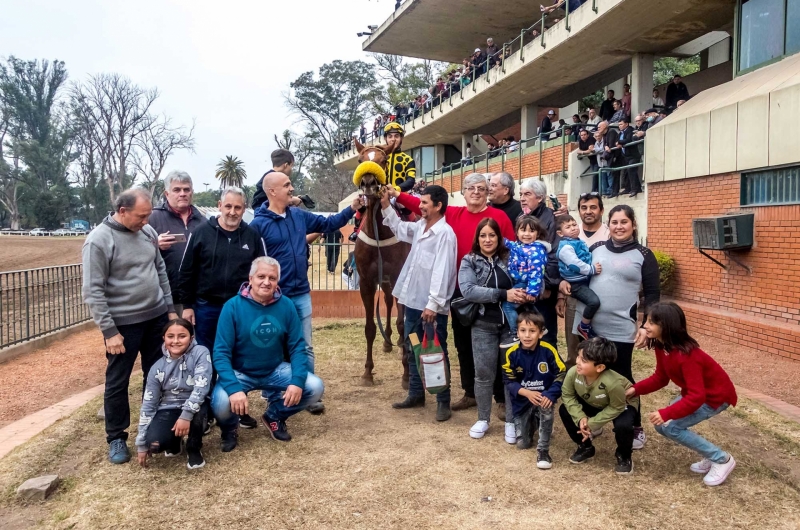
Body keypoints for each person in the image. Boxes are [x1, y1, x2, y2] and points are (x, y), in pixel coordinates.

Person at [395, 174, 515, 413]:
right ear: (464, 191)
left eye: (482, 188)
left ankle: (500, 398)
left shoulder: (498, 217)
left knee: (495, 347)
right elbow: (423, 205)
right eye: (471, 188)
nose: (476, 192)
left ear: (487, 192)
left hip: (489, 292)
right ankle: (469, 393)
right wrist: (396, 195)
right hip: (460, 294)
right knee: (461, 346)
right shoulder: (453, 214)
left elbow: (510, 252)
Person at [82, 188, 177, 464]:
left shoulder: (146, 233)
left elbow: (159, 270)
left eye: (148, 215)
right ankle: (116, 438)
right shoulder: (99, 241)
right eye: (141, 216)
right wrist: (109, 331)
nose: (146, 222)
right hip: (123, 326)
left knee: (157, 374)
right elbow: (93, 291)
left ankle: (154, 429)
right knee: (117, 381)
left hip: (156, 318)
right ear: (122, 211)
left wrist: (170, 310)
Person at [250, 172, 358, 415]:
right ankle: (273, 395)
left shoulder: (298, 215)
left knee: (305, 346)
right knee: (275, 347)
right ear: (272, 191)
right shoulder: (258, 225)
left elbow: (328, 224)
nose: (292, 189)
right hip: (275, 299)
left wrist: (351, 209)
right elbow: (253, 263)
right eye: (286, 185)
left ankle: (308, 392)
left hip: (301, 293)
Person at [210, 257, 325, 451]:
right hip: (241, 372)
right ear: (251, 278)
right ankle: (229, 429)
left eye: (272, 277)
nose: (266, 282)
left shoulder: (286, 305)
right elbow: (220, 353)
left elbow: (297, 347)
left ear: (277, 280)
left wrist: (297, 382)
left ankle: (274, 416)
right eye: (261, 276)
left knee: (315, 387)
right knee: (221, 403)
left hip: (274, 369)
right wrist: (234, 388)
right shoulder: (232, 306)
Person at [175, 186, 266, 430]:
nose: (233, 212)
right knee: (207, 360)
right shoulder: (201, 232)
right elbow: (186, 272)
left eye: (238, 207)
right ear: (219, 205)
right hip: (207, 307)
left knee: (238, 357)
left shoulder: (252, 236)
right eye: (228, 206)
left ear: (244, 209)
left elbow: (261, 272)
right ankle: (204, 411)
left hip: (241, 308)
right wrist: (187, 306)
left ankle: (236, 408)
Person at [573, 204, 659, 450]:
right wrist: (564, 287)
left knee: (623, 380)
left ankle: (635, 427)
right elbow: (580, 276)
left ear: (633, 225)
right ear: (608, 225)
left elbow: (653, 294)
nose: (619, 226)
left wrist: (646, 325)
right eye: (615, 222)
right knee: (590, 375)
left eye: (624, 222)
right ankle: (595, 422)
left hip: (622, 330)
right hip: (592, 329)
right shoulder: (596, 248)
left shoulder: (643, 254)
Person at [627, 302, 738, 486]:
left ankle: (721, 459)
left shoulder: (687, 356)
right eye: (646, 320)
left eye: (651, 322)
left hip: (715, 398)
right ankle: (710, 456)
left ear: (667, 326)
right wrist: (635, 389)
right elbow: (661, 378)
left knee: (670, 427)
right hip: (696, 394)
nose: (645, 326)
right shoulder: (662, 347)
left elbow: (697, 396)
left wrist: (666, 413)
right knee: (662, 426)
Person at [383, 185, 457, 421]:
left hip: (430, 308)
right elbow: (398, 228)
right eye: (421, 202)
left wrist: (433, 305)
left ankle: (442, 401)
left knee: (436, 350)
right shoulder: (419, 227)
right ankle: (416, 393)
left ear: (438, 206)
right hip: (413, 301)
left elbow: (442, 271)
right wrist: (385, 205)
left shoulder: (445, 234)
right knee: (413, 344)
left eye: (425, 203)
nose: (420, 206)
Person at [459, 219, 530, 443]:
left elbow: (526, 279)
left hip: (511, 327)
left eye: (492, 235)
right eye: (483, 236)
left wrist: (526, 292)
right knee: (483, 375)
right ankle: (483, 418)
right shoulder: (469, 261)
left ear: (499, 237)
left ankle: (510, 420)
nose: (488, 240)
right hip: (482, 325)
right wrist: (503, 294)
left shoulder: (510, 258)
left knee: (510, 374)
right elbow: (469, 290)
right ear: (477, 238)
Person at [135, 318, 211, 470]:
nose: (175, 341)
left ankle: (194, 448)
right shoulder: (157, 367)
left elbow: (201, 388)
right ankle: (175, 442)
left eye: (182, 336)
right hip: (169, 406)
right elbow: (149, 404)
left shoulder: (200, 353)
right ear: (164, 338)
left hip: (197, 404)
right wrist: (141, 444)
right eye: (170, 336)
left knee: (197, 416)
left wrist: (185, 416)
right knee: (155, 443)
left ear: (191, 338)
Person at [559, 337, 639, 474]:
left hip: (621, 403)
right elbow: (567, 395)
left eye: (584, 360)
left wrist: (593, 423)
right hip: (595, 401)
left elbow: (616, 407)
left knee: (623, 425)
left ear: (600, 367)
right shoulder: (573, 372)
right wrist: (580, 417)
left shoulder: (613, 383)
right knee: (564, 410)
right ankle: (585, 447)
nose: (577, 362)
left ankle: (624, 456)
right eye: (578, 357)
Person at [502, 310, 564, 469]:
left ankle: (543, 450)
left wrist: (550, 394)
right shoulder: (511, 353)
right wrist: (527, 393)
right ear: (518, 332)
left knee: (545, 406)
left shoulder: (548, 350)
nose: (527, 336)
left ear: (541, 333)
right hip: (522, 401)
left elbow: (562, 373)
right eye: (523, 331)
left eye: (532, 331)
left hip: (544, 397)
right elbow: (508, 381)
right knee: (523, 444)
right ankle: (535, 422)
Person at [556, 192, 609, 367]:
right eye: (583, 208)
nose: (588, 211)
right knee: (573, 346)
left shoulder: (610, 233)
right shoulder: (570, 232)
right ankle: (572, 384)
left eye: (593, 207)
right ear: (578, 210)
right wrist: (560, 288)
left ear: (601, 210)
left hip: (601, 297)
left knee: (598, 346)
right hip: (574, 296)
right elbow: (557, 262)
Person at [148, 170, 205, 316]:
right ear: (167, 194)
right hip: (164, 299)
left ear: (192, 192)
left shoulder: (203, 221)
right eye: (177, 190)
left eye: (186, 189)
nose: (182, 193)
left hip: (196, 298)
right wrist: (155, 244)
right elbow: (134, 250)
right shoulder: (152, 218)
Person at [518, 179, 563, 347]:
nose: (522, 198)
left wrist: (548, 286)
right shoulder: (522, 217)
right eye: (521, 194)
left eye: (527, 194)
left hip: (543, 291)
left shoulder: (552, 218)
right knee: (526, 336)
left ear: (540, 197)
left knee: (545, 337)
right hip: (524, 288)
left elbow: (555, 254)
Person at [501, 215, 550, 344]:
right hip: (520, 282)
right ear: (517, 232)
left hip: (526, 283)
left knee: (507, 305)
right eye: (523, 230)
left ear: (537, 233)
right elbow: (512, 245)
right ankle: (541, 327)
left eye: (531, 231)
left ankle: (515, 332)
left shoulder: (536, 250)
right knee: (528, 306)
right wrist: (500, 239)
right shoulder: (520, 246)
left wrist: (532, 291)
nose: (527, 234)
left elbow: (536, 272)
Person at [556, 215, 601, 339]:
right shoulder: (566, 247)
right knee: (594, 302)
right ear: (560, 233)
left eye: (574, 225)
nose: (573, 228)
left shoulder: (578, 242)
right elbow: (575, 264)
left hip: (583, 280)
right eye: (568, 227)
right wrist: (591, 269)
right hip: (576, 284)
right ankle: (584, 326)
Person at [617, 116, 642, 197]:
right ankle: (629, 188)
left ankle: (635, 189)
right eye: (619, 124)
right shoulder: (620, 132)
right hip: (625, 156)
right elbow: (617, 141)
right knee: (627, 172)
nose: (619, 126)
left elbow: (628, 140)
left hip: (633, 155)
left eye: (621, 124)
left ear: (626, 124)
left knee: (631, 170)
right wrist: (618, 143)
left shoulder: (630, 130)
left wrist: (619, 142)